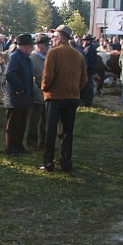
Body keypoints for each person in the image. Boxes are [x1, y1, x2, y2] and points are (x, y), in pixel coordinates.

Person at [40, 24, 88, 172]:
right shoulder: (78, 55)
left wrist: (44, 88)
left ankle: (48, 164)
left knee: (50, 131)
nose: (52, 39)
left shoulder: (53, 53)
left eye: (54, 37)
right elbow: (84, 79)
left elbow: (47, 77)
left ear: (60, 38)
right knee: (67, 132)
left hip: (54, 97)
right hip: (72, 97)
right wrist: (74, 89)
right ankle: (66, 163)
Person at [3, 34, 34, 156]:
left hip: (24, 98)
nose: (32, 49)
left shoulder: (26, 58)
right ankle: (10, 148)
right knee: (13, 125)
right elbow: (10, 74)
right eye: (31, 46)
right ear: (24, 46)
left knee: (22, 124)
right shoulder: (16, 57)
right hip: (16, 97)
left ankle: (19, 146)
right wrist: (20, 88)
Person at [25, 33, 50, 150]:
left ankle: (44, 142)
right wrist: (36, 90)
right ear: (39, 45)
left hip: (47, 93)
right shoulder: (32, 58)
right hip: (37, 93)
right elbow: (31, 77)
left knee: (46, 121)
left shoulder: (46, 57)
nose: (47, 47)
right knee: (34, 121)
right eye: (46, 44)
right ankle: (32, 142)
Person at [80, 34, 97, 107]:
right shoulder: (91, 48)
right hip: (90, 70)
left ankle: (87, 102)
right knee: (88, 86)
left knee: (87, 86)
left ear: (89, 41)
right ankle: (87, 101)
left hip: (88, 70)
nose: (84, 42)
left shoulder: (88, 49)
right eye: (83, 40)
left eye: (85, 40)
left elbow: (87, 62)